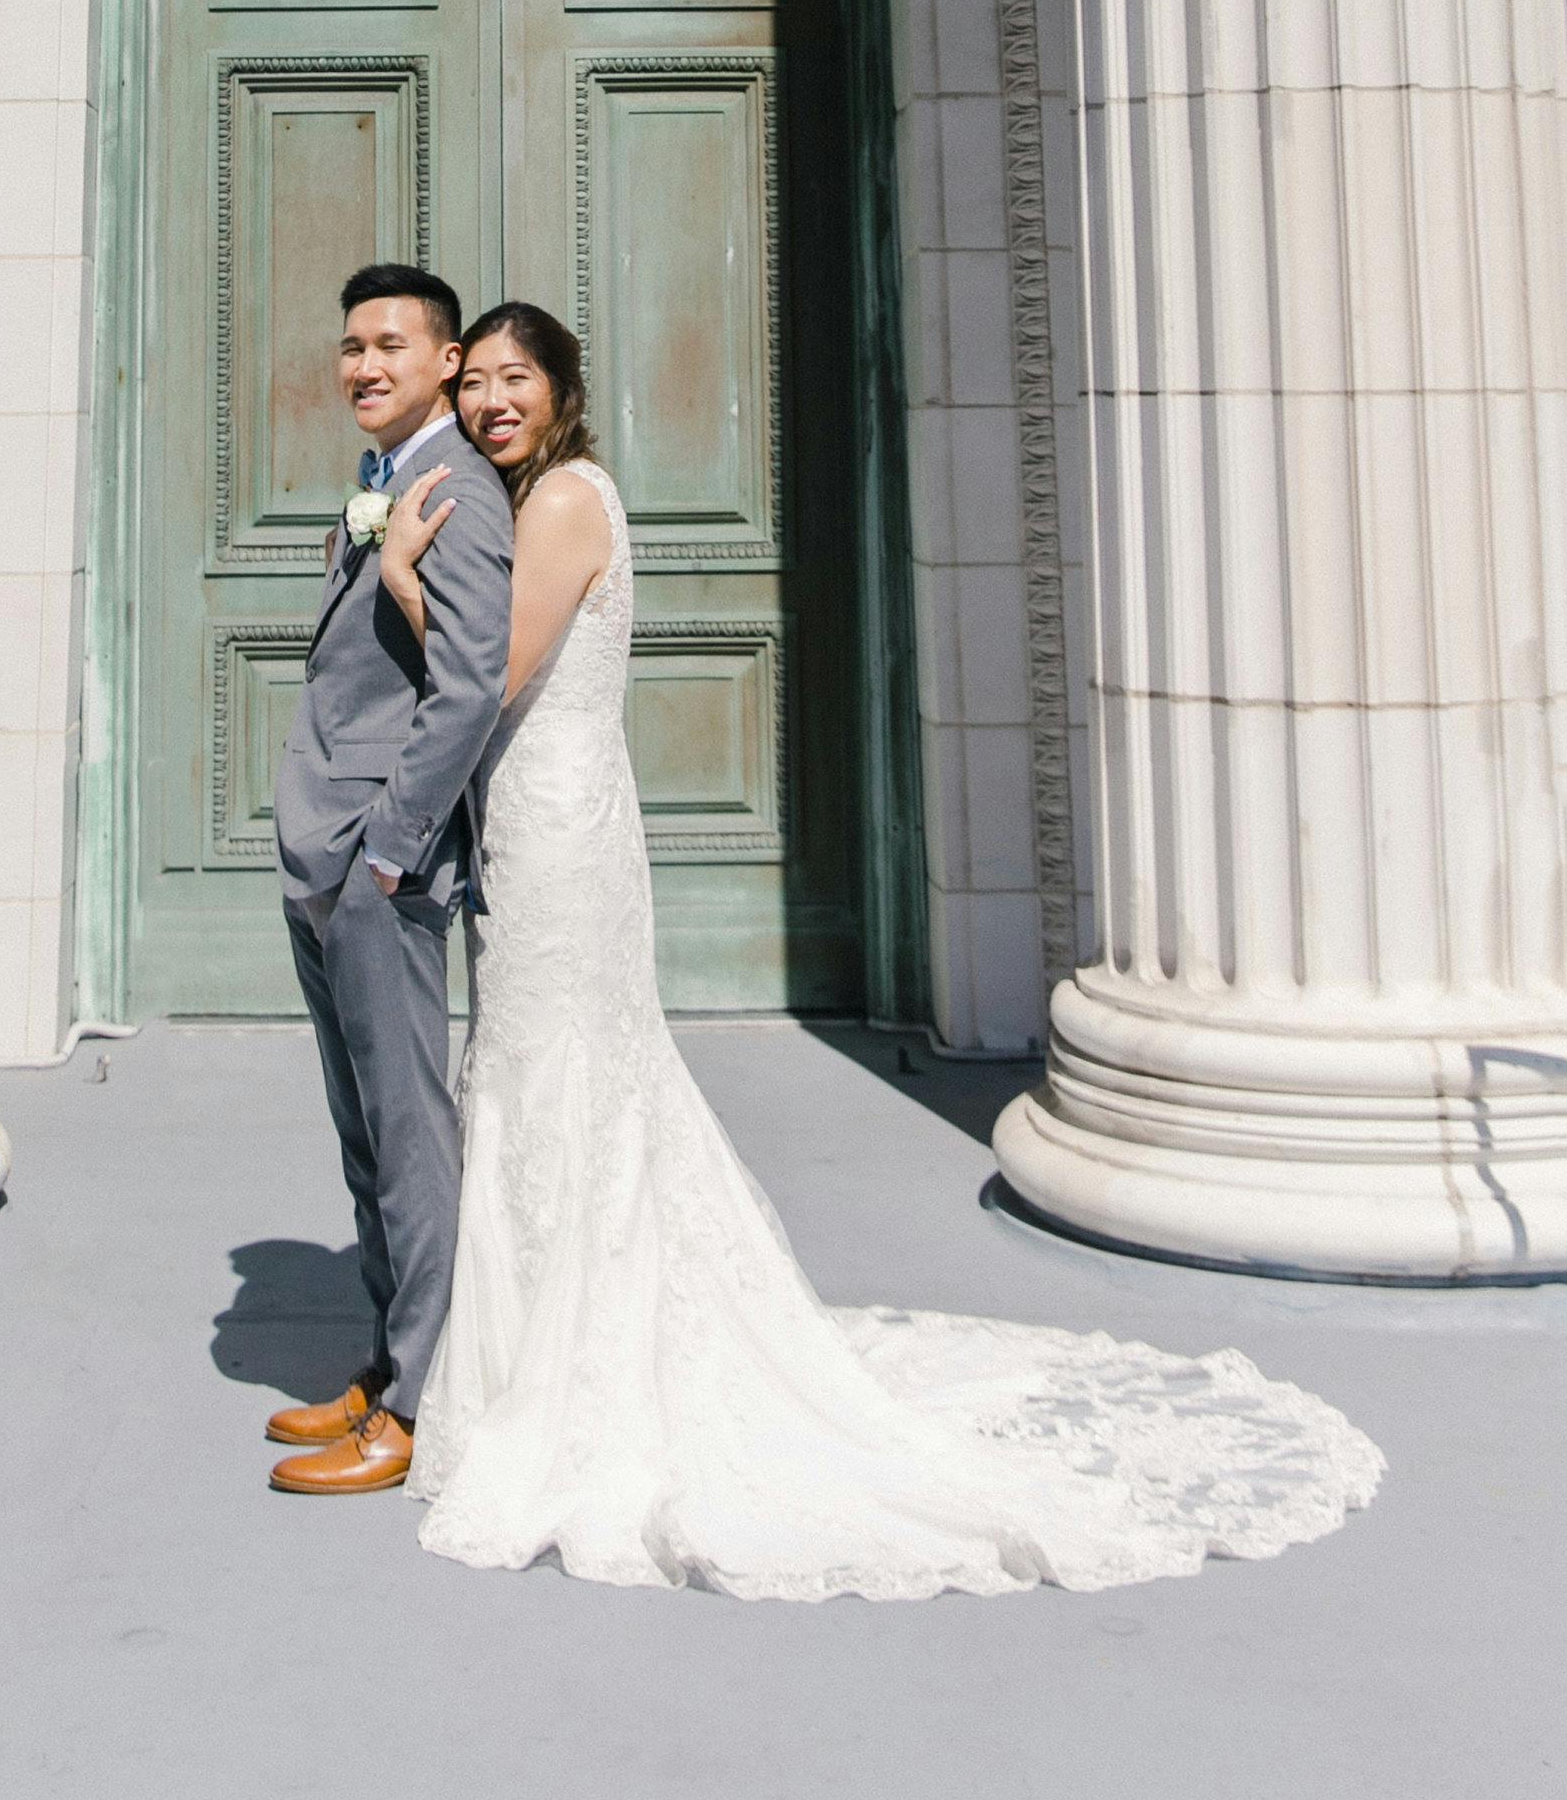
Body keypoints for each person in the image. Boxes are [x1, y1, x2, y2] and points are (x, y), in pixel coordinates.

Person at [369, 299, 1386, 1599]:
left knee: (562, 1066)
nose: (488, 402)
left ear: (562, 390)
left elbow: (492, 672)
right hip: (527, 816)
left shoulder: (564, 501)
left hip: (559, 828)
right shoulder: (527, 500)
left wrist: (402, 575)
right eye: (477, 386)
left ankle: (575, 1366)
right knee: (537, 1067)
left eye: (516, 379)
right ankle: (528, 1352)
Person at [264, 264, 514, 1501]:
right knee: (362, 1132)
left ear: (447, 360)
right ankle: (384, 1361)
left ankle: (423, 1399)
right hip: (325, 847)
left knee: (410, 1133)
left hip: (380, 860)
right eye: (350, 344)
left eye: (390, 345)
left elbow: (467, 683)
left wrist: (389, 848)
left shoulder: (457, 486)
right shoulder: (382, 482)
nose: (363, 364)